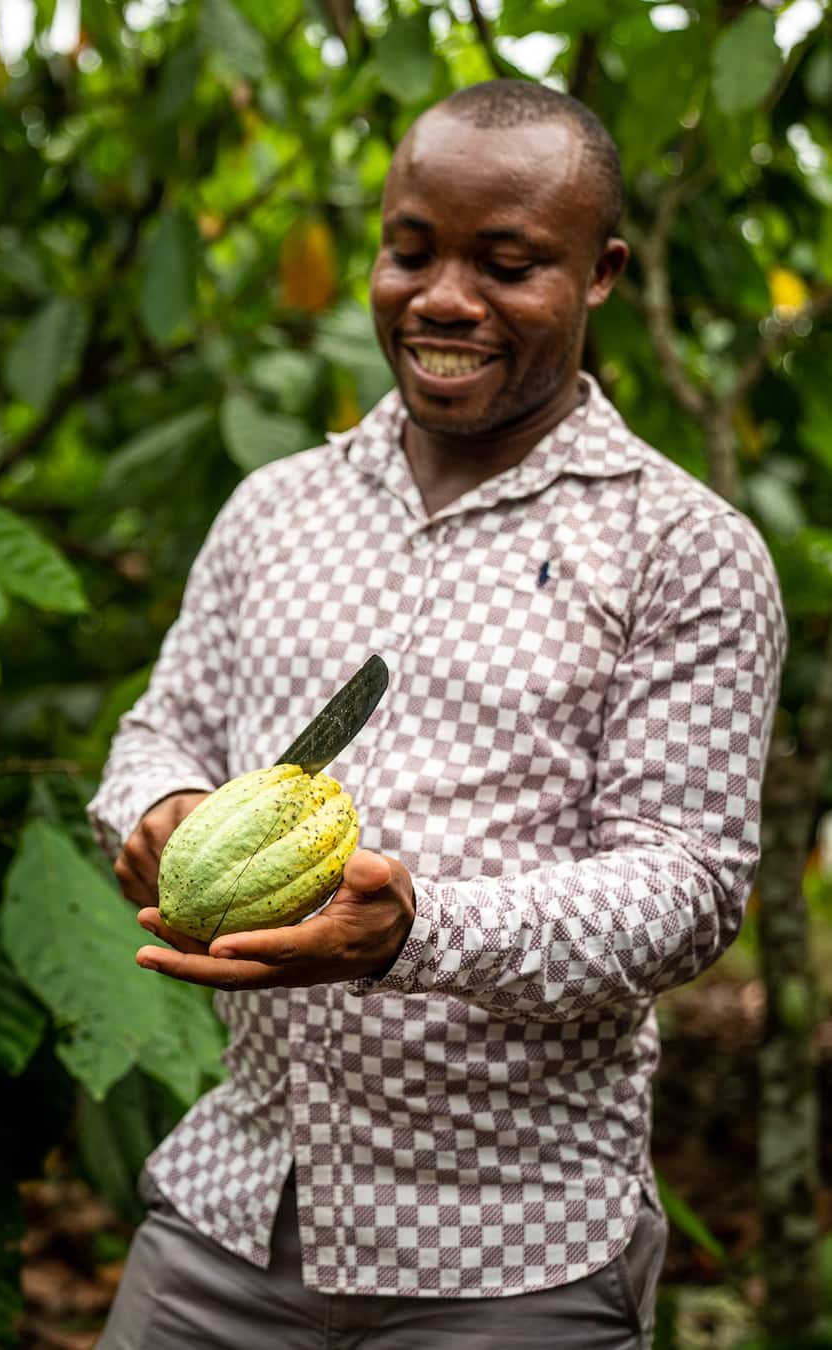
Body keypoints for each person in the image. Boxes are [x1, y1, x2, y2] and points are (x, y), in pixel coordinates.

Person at [88, 79, 786, 1349]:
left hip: (514, 1255)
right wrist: (162, 810)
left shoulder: (685, 549)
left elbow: (690, 888)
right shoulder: (275, 509)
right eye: (412, 249)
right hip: (231, 1215)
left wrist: (417, 932)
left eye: (508, 263)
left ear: (603, 273)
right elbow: (159, 730)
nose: (444, 299)